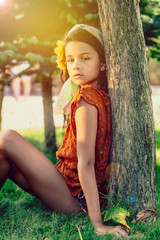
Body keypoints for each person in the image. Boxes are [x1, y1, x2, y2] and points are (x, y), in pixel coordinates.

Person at [0, 24, 129, 237]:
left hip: (74, 197)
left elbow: (86, 163)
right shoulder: (98, 94)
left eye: (85, 58)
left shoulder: (86, 101)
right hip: (67, 184)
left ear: (103, 63)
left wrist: (98, 225)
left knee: (7, 138)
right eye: (70, 59)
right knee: (6, 157)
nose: (76, 65)